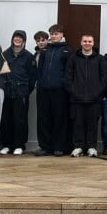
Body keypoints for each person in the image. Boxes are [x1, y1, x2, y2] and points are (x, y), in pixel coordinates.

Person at [35, 25, 72, 156]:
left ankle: (59, 146)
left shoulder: (67, 50)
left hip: (60, 91)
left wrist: (64, 85)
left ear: (62, 35)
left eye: (57, 33)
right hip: (44, 89)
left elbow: (69, 72)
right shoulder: (45, 50)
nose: (54, 36)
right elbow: (39, 70)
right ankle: (45, 147)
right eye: (52, 33)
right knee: (44, 118)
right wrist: (41, 83)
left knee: (59, 119)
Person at [64, 34, 104, 157]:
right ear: (81, 43)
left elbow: (104, 78)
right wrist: (74, 92)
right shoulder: (73, 58)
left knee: (92, 124)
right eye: (85, 41)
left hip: (94, 99)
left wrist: (97, 92)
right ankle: (78, 147)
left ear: (93, 43)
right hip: (76, 99)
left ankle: (91, 147)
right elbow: (68, 78)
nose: (87, 43)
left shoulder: (100, 59)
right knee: (77, 124)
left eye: (89, 41)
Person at [0, 30, 35, 155]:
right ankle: (7, 145)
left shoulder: (29, 56)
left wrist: (25, 90)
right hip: (6, 92)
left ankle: (20, 145)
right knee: (6, 119)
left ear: (24, 40)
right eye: (16, 37)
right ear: (12, 39)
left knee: (20, 120)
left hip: (21, 93)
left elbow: (32, 77)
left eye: (20, 38)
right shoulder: (4, 54)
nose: (18, 39)